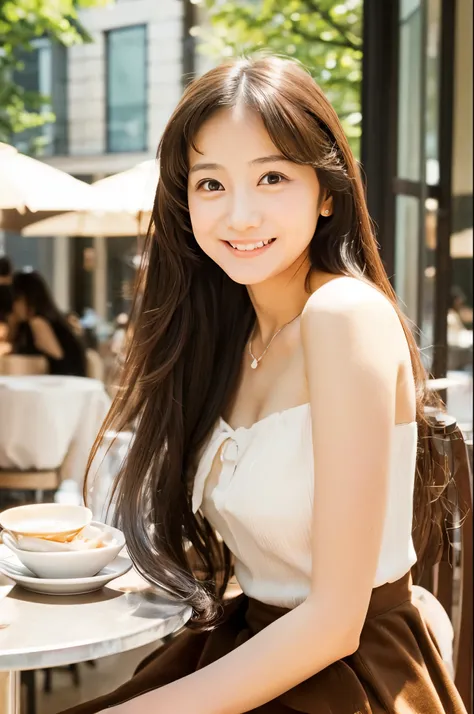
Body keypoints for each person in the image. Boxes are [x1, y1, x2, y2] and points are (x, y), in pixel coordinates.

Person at [61, 56, 466, 714]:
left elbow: (335, 621)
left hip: (347, 674)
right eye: (211, 184)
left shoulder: (343, 317)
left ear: (326, 191)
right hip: (255, 646)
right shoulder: (231, 336)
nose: (240, 215)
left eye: (272, 176)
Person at [10, 269, 86, 377]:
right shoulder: (50, 320)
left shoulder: (38, 323)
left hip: (65, 385)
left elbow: (60, 363)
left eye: (16, 299)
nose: (14, 306)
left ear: (27, 299)